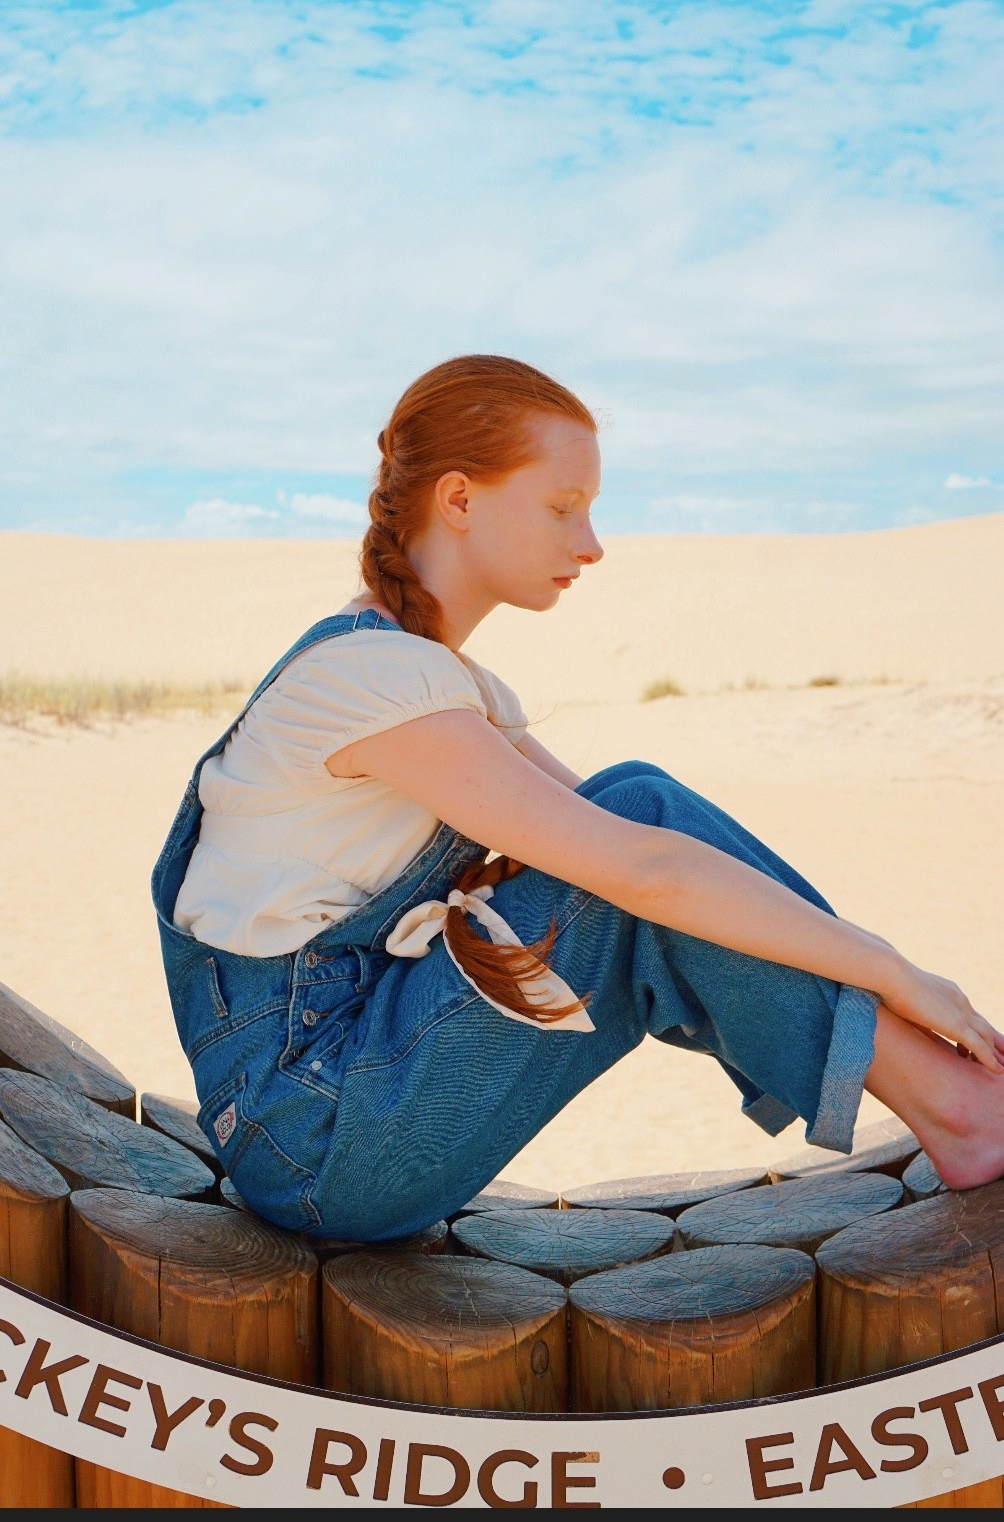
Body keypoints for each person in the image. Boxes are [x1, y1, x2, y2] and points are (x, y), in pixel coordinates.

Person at [152, 354, 1004, 1241]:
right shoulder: (370, 681)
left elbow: (643, 849)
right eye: (563, 507)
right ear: (459, 500)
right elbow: (647, 871)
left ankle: (954, 1097)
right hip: (317, 1138)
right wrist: (895, 971)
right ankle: (960, 1104)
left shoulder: (441, 684)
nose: (591, 543)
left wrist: (878, 971)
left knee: (636, 797)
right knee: (641, 836)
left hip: (356, 1100)